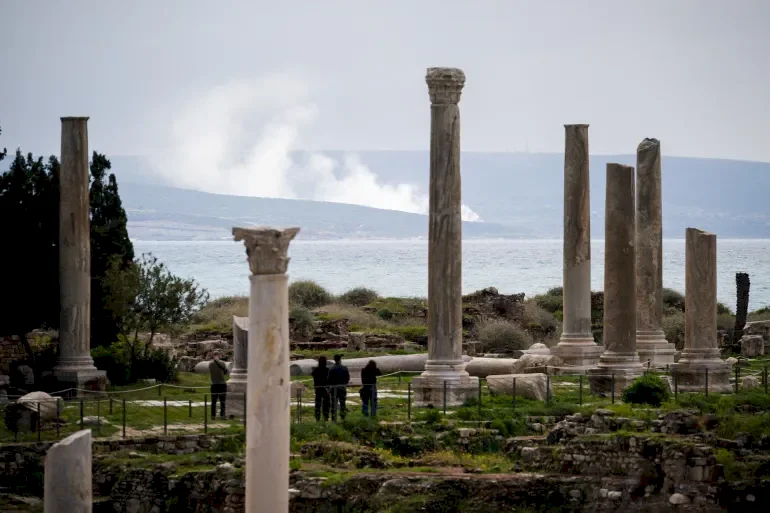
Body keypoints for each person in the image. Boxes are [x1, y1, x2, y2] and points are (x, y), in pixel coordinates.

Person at [328, 354, 350, 421]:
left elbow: (329, 379)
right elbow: (347, 377)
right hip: (342, 387)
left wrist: (331, 385)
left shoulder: (332, 369)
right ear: (340, 360)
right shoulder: (344, 368)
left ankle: (333, 418)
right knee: (343, 403)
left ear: (334, 360)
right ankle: (343, 417)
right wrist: (344, 383)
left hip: (334, 388)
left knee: (333, 403)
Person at [208, 352, 229, 419]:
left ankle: (213, 416)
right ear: (219, 356)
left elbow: (211, 371)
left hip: (214, 384)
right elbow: (226, 372)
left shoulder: (210, 364)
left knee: (214, 401)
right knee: (222, 401)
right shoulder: (222, 363)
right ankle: (222, 416)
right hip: (222, 384)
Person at [311, 356, 330, 421]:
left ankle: (317, 418)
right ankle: (326, 417)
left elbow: (313, 377)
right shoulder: (327, 370)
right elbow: (328, 380)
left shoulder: (316, 370)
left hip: (318, 389)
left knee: (318, 404)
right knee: (326, 404)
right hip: (325, 389)